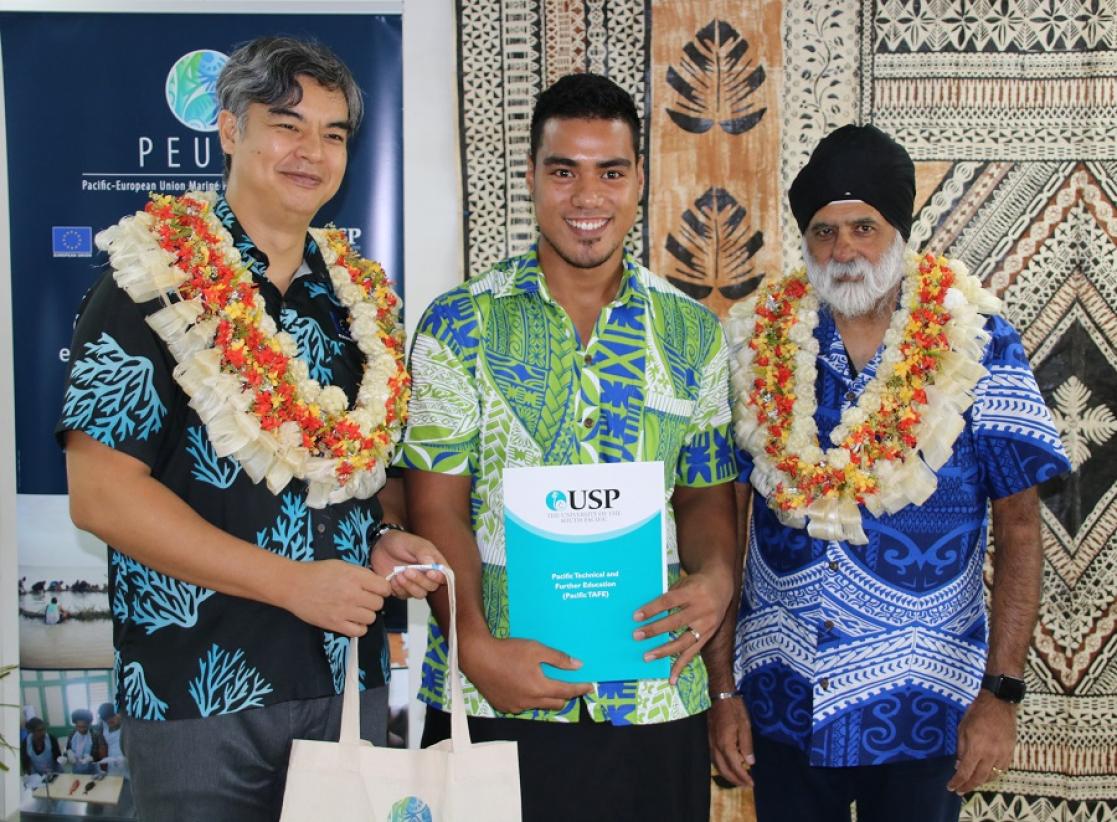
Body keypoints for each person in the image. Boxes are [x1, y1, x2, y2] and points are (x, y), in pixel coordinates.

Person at [58, 36, 444, 820]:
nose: (312, 153)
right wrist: (293, 585)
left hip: (355, 681)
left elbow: (341, 482)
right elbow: (101, 499)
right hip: (199, 692)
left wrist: (380, 539)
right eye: (287, 125)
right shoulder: (148, 285)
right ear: (230, 130)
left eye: (333, 135)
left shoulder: (357, 301)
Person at [397, 72, 739, 821]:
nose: (588, 198)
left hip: (652, 696)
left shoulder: (692, 334)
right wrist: (474, 647)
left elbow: (706, 495)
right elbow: (436, 507)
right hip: (494, 692)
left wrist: (715, 580)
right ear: (531, 178)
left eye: (610, 172)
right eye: (564, 171)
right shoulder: (461, 324)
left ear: (639, 180)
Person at [711, 124, 1072, 821]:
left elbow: (1020, 526)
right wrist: (722, 690)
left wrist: (999, 694)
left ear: (899, 231)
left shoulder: (980, 340)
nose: (842, 249)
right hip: (779, 698)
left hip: (925, 704)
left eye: (862, 227)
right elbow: (722, 523)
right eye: (822, 231)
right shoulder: (754, 341)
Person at [63, 709, 106, 775]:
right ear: (75, 725)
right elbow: (68, 748)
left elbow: (100, 755)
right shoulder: (72, 735)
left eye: (84, 727)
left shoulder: (96, 736)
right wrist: (69, 753)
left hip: (93, 771)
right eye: (78, 727)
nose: (81, 729)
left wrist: (91, 758)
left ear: (89, 724)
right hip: (76, 770)